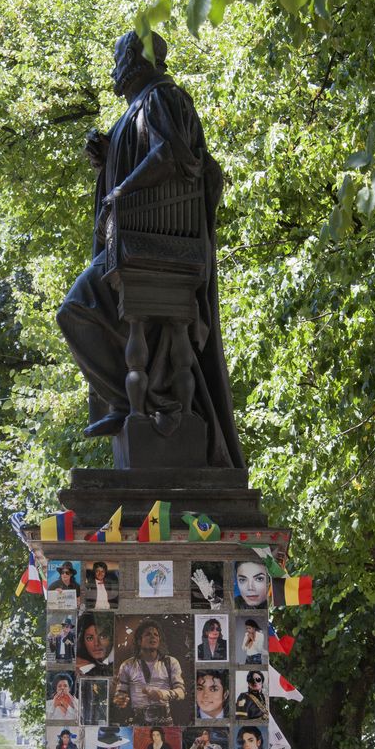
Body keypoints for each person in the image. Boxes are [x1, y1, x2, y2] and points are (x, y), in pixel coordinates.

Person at [56, 31, 245, 470]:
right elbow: (145, 158)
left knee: (78, 308)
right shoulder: (135, 110)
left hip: (157, 240)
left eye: (120, 58)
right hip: (137, 239)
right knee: (82, 313)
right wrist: (108, 157)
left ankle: (143, 400)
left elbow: (171, 157)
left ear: (140, 60)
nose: (114, 69)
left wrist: (123, 186)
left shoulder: (162, 97)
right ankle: (138, 401)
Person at [113, 618, 185, 725]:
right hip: (137, 721)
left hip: (165, 720)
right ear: (139, 641)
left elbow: (181, 692)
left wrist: (162, 694)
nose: (153, 637)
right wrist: (119, 700)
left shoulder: (171, 662)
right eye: (148, 634)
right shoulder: (127, 665)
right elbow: (120, 694)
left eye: (156, 634)